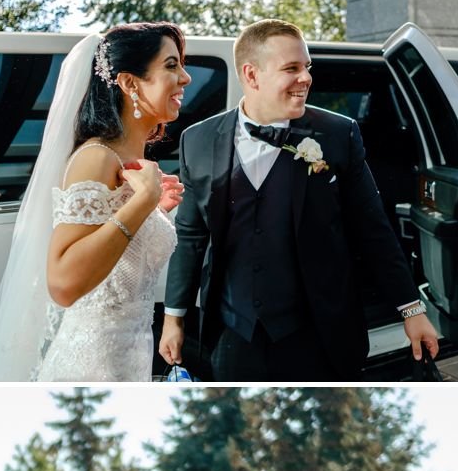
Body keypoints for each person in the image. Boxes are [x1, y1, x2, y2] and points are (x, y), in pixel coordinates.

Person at [159, 19, 441, 385]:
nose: (306, 78)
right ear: (252, 74)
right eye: (291, 68)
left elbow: (373, 230)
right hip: (233, 333)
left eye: (307, 67)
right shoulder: (197, 140)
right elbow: (192, 236)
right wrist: (173, 317)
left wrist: (411, 309)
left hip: (320, 332)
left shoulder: (338, 134)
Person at [0, 23, 186, 382]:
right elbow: (63, 284)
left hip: (130, 359)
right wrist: (143, 201)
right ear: (130, 83)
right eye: (171, 65)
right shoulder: (97, 157)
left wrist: (154, 211)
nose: (185, 78)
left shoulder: (127, 158)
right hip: (90, 367)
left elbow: (116, 252)